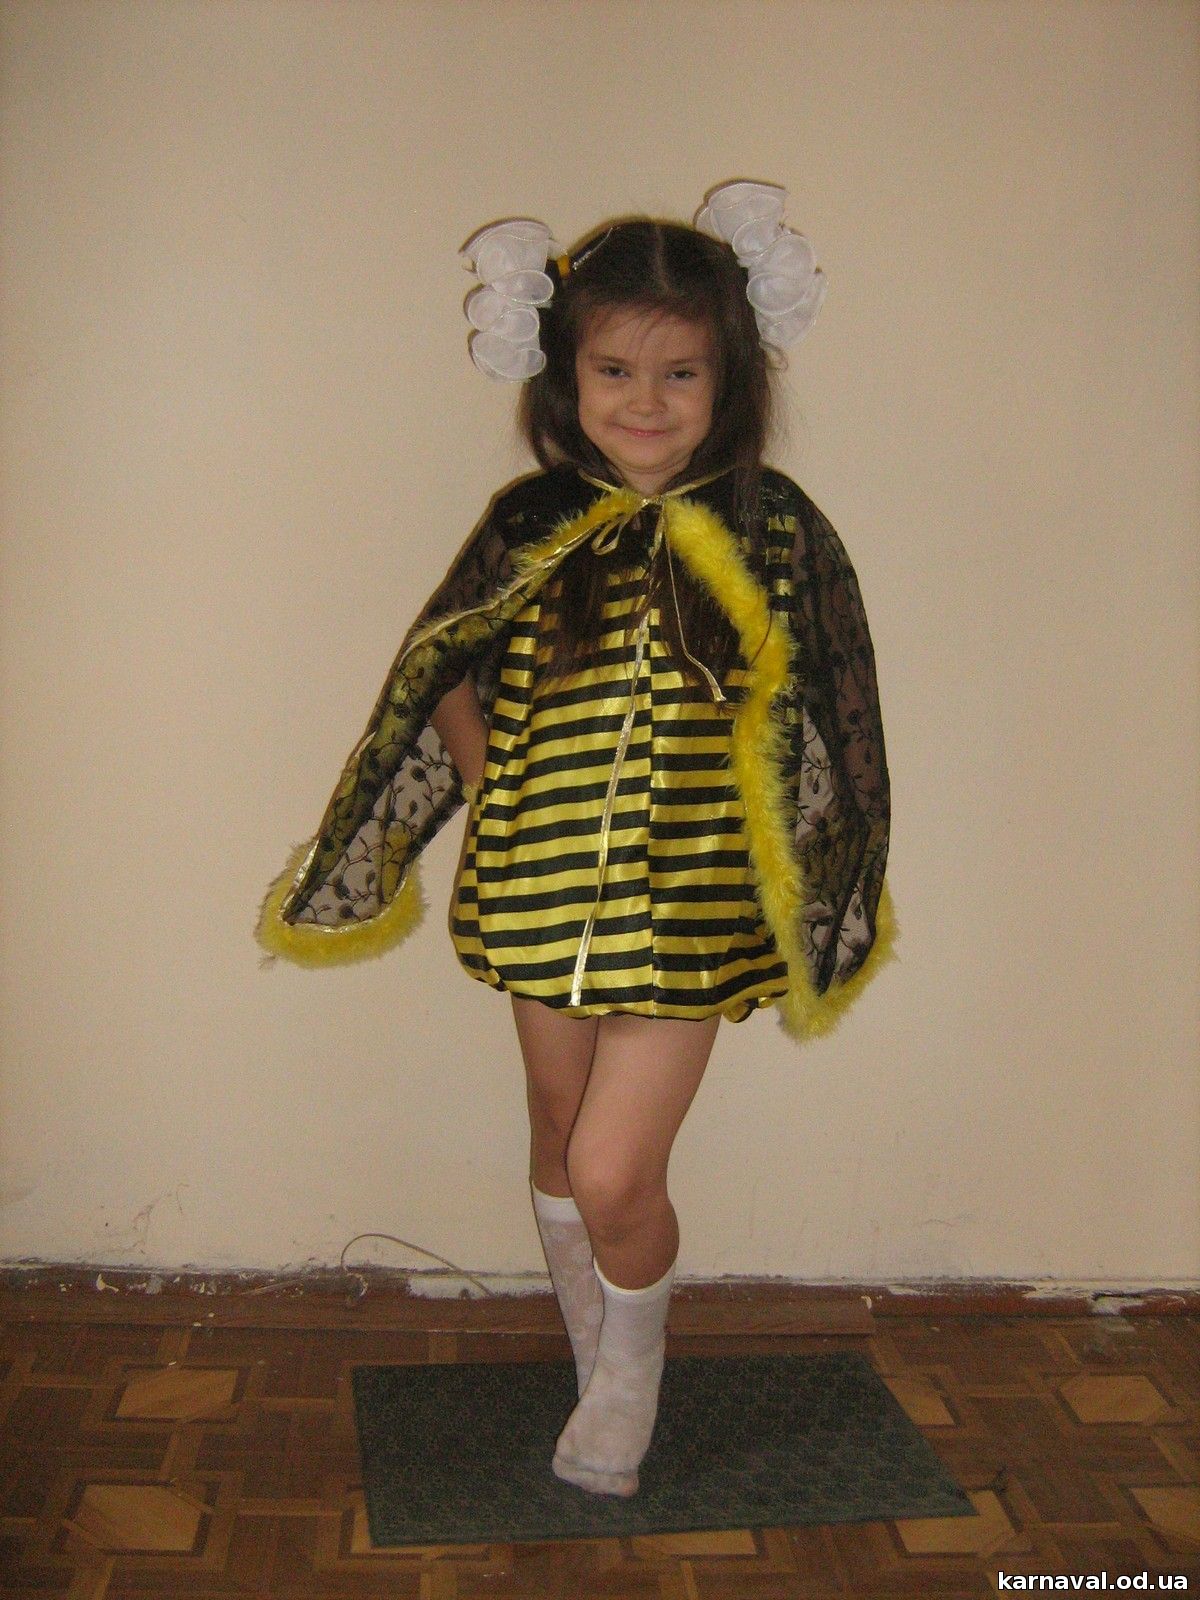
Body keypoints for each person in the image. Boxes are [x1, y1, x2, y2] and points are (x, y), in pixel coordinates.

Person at [256, 180, 897, 1499]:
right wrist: (493, 781)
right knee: (558, 1135)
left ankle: (634, 1375)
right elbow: (443, 657)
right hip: (537, 885)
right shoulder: (530, 523)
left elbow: (838, 706)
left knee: (613, 1170)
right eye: (615, 370)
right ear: (567, 376)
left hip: (690, 905)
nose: (646, 400)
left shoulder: (777, 528)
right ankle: (595, 1346)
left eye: (680, 372)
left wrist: (813, 868)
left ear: (730, 380)